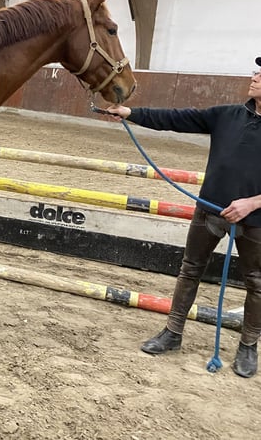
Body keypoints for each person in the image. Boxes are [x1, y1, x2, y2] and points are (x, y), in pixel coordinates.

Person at [106, 57, 261, 378]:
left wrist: (251, 203)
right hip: (209, 211)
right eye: (257, 70)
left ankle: (248, 346)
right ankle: (173, 332)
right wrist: (131, 114)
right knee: (189, 270)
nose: (255, 75)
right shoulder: (226, 115)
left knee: (257, 284)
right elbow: (178, 118)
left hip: (255, 221)